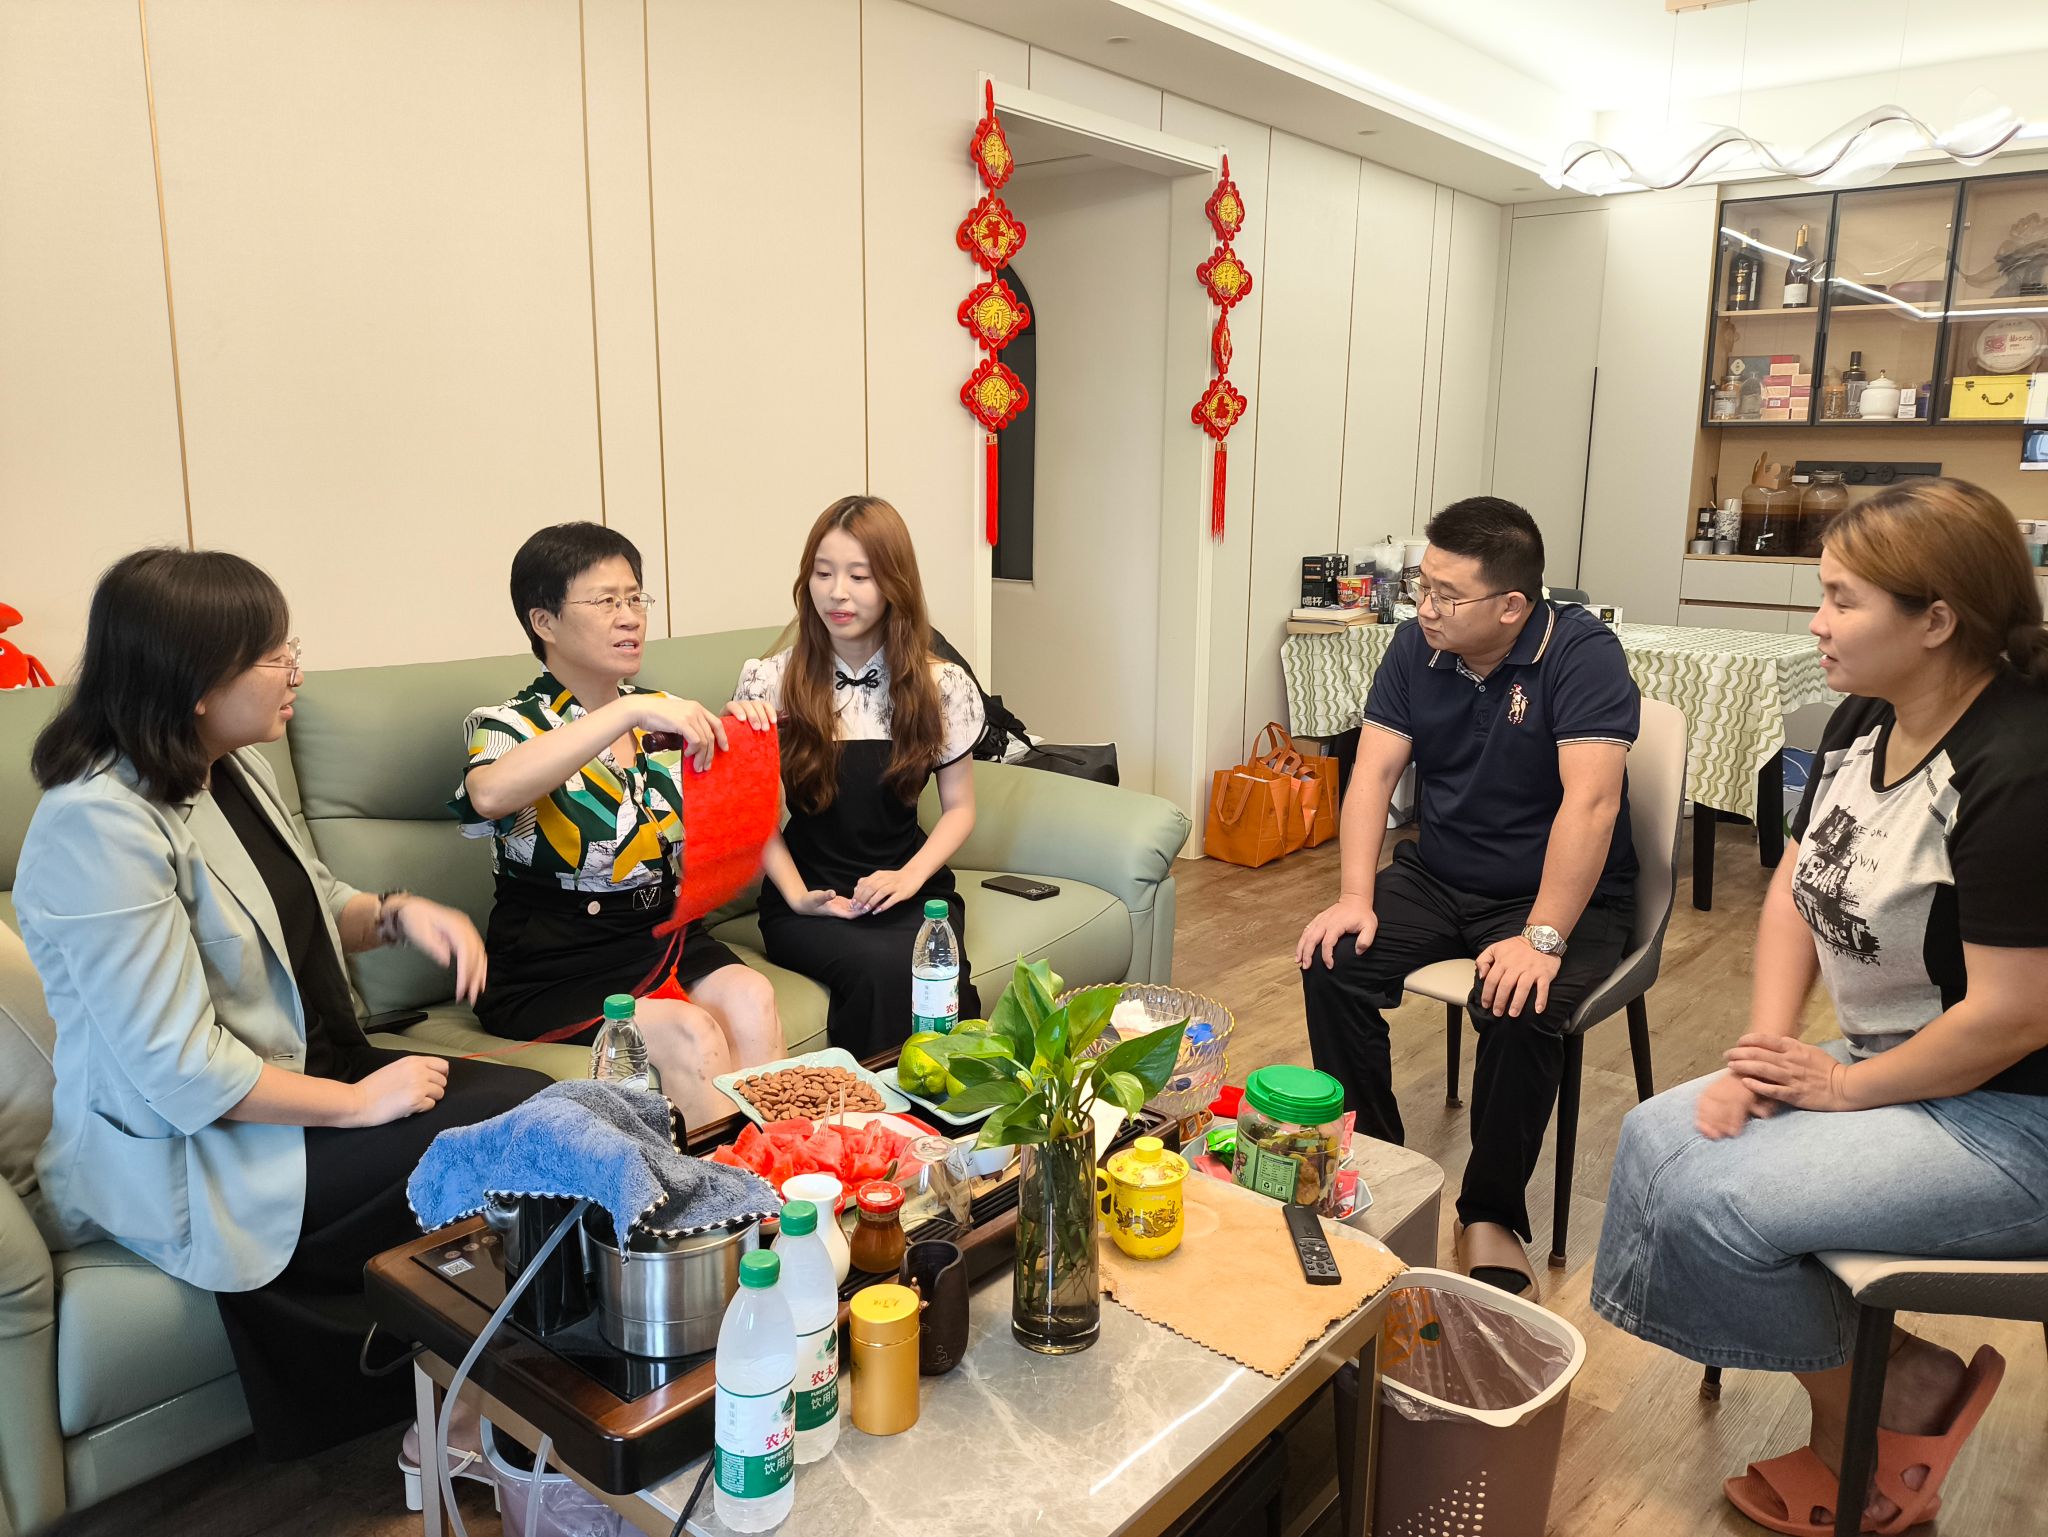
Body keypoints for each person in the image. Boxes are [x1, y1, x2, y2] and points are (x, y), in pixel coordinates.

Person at [15, 548, 549, 1462]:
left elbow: (303, 901)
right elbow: (180, 1067)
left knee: (551, 1106)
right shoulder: (96, 823)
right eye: (272, 654)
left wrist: (397, 914)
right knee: (523, 1124)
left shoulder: (227, 766)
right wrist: (357, 1105)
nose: (295, 668)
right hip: (199, 1147)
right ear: (194, 681)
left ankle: (482, 1402)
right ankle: (454, 1426)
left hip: (307, 1078)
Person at [1594, 479, 2047, 1535]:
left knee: (1716, 1204)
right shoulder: (1864, 716)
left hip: (2013, 1113)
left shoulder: (2018, 769)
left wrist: (1843, 1088)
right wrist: (1764, 1049)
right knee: (1654, 1139)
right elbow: (1794, 894)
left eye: (1842, 600)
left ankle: (1869, 1433)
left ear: (1935, 621)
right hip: (1905, 1065)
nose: (1815, 622)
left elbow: (2016, 1014)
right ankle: (1904, 1379)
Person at [1296, 496, 1639, 1296]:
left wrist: (1543, 935)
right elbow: (1373, 773)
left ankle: (1490, 1211)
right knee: (1331, 955)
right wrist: (1354, 895)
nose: (1426, 607)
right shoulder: (1415, 648)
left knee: (1519, 1001)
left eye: (1447, 595)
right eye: (1424, 586)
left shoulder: (1581, 654)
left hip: (1559, 894)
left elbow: (1592, 804)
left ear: (1512, 606)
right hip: (1442, 873)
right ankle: (1379, 1165)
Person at [453, 523, 785, 1128]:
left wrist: (741, 738)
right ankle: (718, 1186)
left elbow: (732, 827)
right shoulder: (508, 723)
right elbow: (490, 794)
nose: (630, 617)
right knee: (689, 1031)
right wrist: (625, 709)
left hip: (662, 935)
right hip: (557, 962)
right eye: (606, 601)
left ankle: (790, 1170)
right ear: (544, 622)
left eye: (635, 598)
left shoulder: (666, 716)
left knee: (752, 996)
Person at [726, 495, 985, 1057]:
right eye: (822, 573)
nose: (837, 592)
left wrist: (909, 878)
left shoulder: (942, 686)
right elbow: (754, 815)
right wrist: (798, 896)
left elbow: (960, 807)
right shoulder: (769, 682)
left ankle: (948, 1106)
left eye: (859, 576)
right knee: (881, 971)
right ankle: (870, 1110)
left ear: (895, 583)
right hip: (811, 896)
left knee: (933, 973)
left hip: (909, 888)